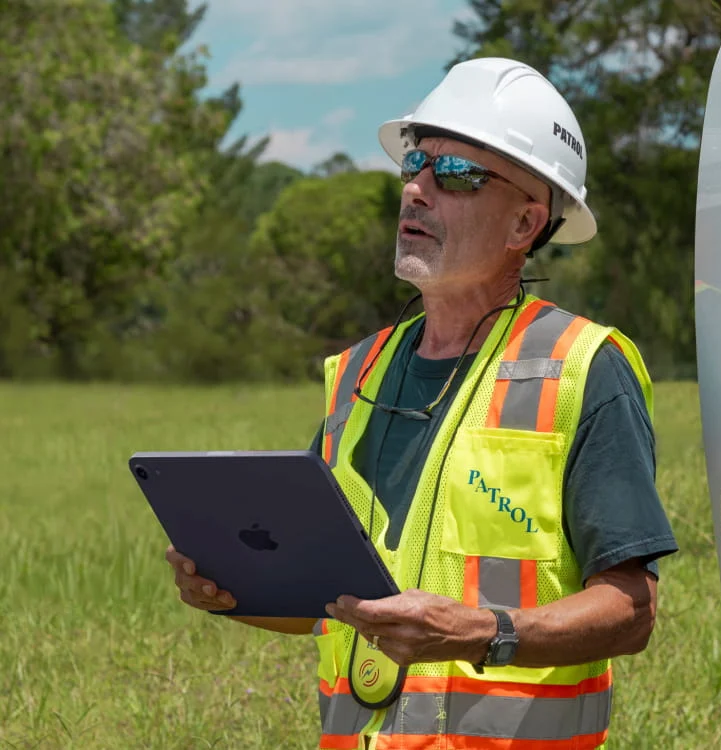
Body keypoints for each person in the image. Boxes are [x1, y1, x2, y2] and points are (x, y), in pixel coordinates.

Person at [166, 57, 678, 749]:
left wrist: (482, 633)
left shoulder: (583, 369)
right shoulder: (357, 373)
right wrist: (232, 589)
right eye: (415, 163)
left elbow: (632, 610)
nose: (417, 189)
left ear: (525, 223)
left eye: (458, 175)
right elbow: (326, 600)